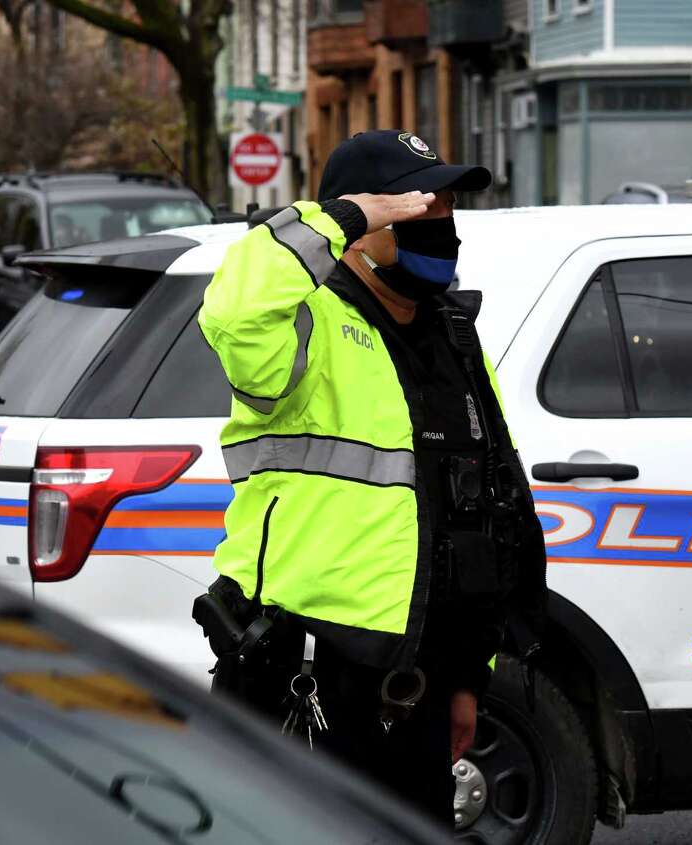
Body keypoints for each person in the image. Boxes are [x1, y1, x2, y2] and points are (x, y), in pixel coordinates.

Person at [196, 129, 547, 828]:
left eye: (445, 206)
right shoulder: (306, 326)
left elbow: (473, 515)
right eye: (415, 208)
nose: (439, 223)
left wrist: (466, 678)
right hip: (303, 678)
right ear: (363, 224)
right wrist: (341, 216)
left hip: (415, 688)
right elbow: (234, 308)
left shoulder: (450, 333)